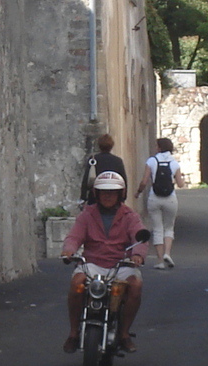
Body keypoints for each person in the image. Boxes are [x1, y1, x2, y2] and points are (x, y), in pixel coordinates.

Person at [60, 171, 147, 353]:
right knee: (76, 283)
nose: (108, 195)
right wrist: (69, 250)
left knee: (136, 285)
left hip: (120, 265)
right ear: (96, 194)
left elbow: (139, 237)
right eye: (103, 191)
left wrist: (137, 254)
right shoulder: (86, 215)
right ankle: (73, 332)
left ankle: (124, 333)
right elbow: (74, 236)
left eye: (112, 192)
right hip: (92, 263)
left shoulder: (130, 216)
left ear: (120, 194)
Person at [135, 136, 187, 268]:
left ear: (159, 148)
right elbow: (180, 184)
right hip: (170, 198)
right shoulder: (174, 163)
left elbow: (144, 181)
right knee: (169, 227)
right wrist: (178, 180)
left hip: (154, 198)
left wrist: (138, 193)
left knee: (158, 229)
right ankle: (167, 254)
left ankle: (159, 261)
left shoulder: (152, 161)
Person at [78, 134, 127, 205]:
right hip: (113, 197)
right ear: (111, 145)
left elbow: (86, 180)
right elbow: (123, 181)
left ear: (99, 145)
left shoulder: (93, 159)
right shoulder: (118, 161)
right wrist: (123, 198)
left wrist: (83, 197)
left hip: (95, 197)